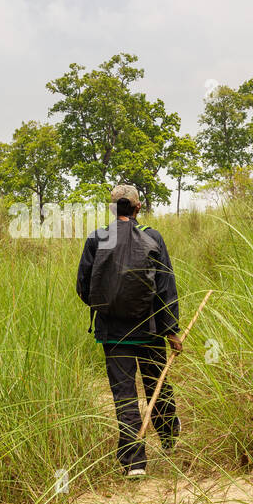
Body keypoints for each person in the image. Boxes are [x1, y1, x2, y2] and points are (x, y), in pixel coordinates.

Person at [75, 184, 181, 478]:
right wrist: (171, 330)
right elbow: (165, 288)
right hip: (150, 330)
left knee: (123, 394)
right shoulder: (152, 236)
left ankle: (134, 462)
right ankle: (169, 436)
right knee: (156, 384)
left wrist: (106, 307)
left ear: (113, 209)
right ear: (138, 207)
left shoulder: (97, 238)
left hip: (112, 333)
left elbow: (84, 287)